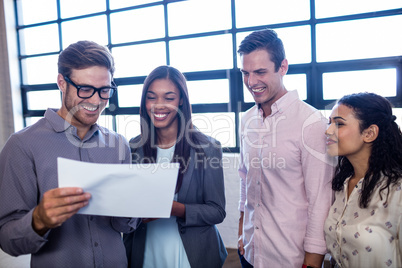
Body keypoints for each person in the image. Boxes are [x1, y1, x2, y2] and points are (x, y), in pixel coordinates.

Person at [0, 40, 138, 267]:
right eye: (85, 89)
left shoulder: (118, 145)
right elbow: (7, 239)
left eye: (105, 90)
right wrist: (39, 220)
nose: (96, 100)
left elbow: (125, 226)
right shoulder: (21, 145)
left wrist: (133, 209)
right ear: (61, 83)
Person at [237, 28, 334, 268]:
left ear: (283, 67)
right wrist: (241, 231)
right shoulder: (247, 120)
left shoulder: (311, 122)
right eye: (245, 73)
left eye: (260, 72)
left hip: (289, 259)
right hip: (249, 252)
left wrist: (312, 262)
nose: (251, 82)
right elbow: (245, 178)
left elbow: (320, 200)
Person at [123, 65, 227, 268]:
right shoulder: (132, 148)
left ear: (181, 101)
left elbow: (217, 211)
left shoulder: (208, 148)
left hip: (191, 255)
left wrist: (175, 209)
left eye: (169, 98)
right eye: (151, 97)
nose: (158, 105)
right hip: (145, 253)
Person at [324, 92, 402, 268]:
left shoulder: (397, 190)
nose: (328, 130)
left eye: (339, 124)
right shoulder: (341, 184)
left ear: (369, 133)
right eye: (329, 123)